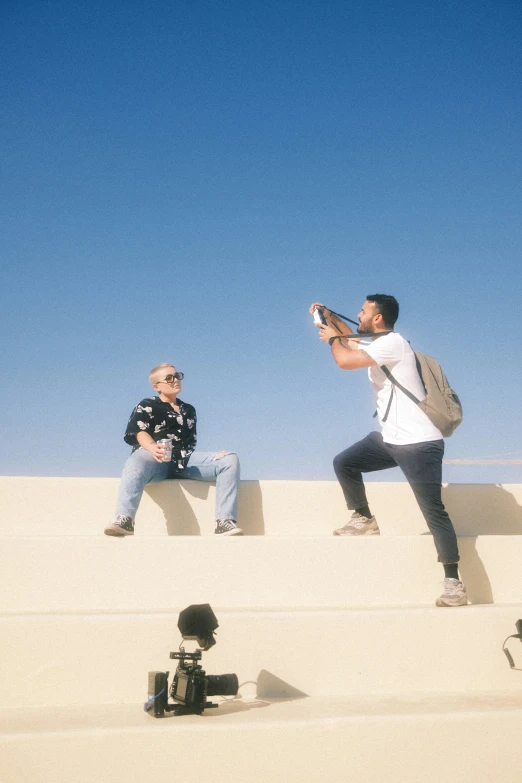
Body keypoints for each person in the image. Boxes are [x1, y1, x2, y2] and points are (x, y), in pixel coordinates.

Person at [309, 295, 467, 607]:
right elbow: (352, 341)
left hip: (419, 443)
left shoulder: (393, 343)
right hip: (391, 439)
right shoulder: (378, 344)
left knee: (433, 512)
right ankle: (364, 518)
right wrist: (329, 317)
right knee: (345, 463)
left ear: (378, 318)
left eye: (363, 311)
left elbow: (344, 358)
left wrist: (331, 339)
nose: (357, 314)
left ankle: (454, 584)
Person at [104, 363, 242, 537]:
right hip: (154, 460)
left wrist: (215, 458)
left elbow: (190, 443)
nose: (175, 380)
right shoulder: (147, 405)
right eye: (169, 378)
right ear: (157, 386)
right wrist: (153, 448)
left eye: (177, 376)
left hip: (184, 461)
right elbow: (139, 432)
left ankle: (224, 521)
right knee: (137, 458)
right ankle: (124, 518)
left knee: (230, 459)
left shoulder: (189, 410)